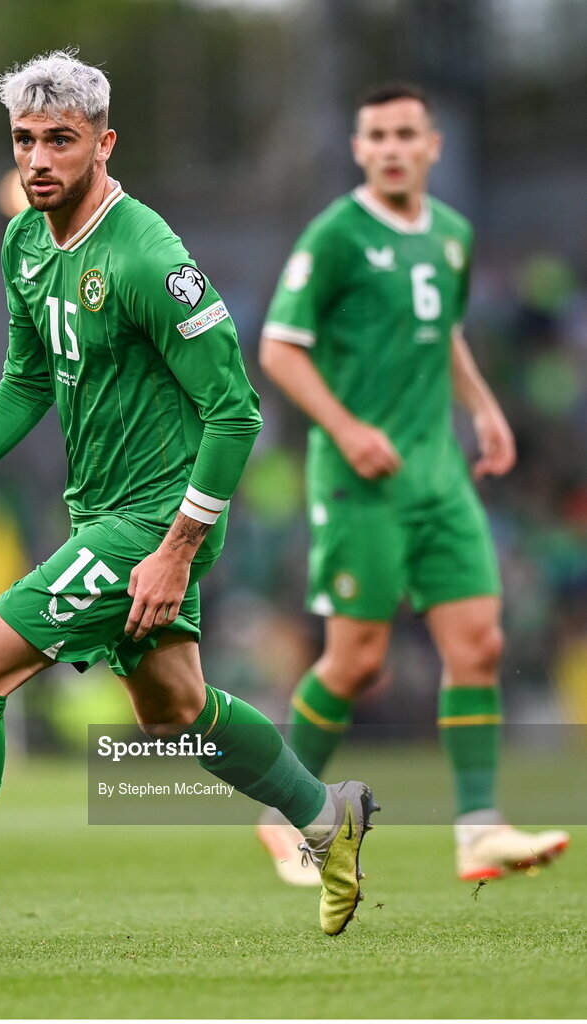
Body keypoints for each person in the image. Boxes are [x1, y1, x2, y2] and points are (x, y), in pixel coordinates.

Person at [0, 50, 378, 947]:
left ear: (104, 144)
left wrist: (176, 548)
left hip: (156, 519)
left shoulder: (150, 257)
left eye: (60, 141)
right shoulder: (25, 241)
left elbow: (234, 411)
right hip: (103, 513)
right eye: (25, 140)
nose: (38, 159)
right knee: (175, 711)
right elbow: (28, 379)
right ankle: (324, 819)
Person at [256, 82, 568, 887]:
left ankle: (478, 831)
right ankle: (283, 814)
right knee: (355, 661)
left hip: (437, 473)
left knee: (482, 645)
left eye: (406, 134)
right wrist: (349, 429)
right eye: (377, 136)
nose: (392, 147)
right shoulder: (335, 237)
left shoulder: (454, 236)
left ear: (432, 145)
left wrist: (486, 407)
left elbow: (444, 334)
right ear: (359, 150)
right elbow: (281, 348)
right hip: (360, 480)